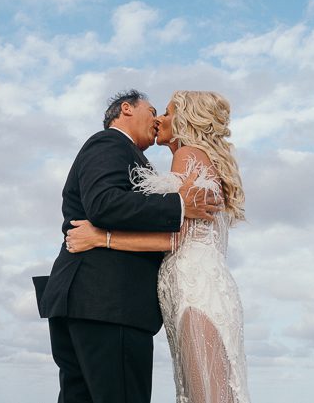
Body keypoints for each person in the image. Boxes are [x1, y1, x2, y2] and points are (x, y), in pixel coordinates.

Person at [34, 89, 223, 403]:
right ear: (126, 109)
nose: (157, 120)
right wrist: (179, 204)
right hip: (109, 301)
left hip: (84, 302)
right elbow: (104, 203)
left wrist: (102, 236)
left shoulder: (131, 155)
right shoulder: (110, 143)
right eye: (152, 111)